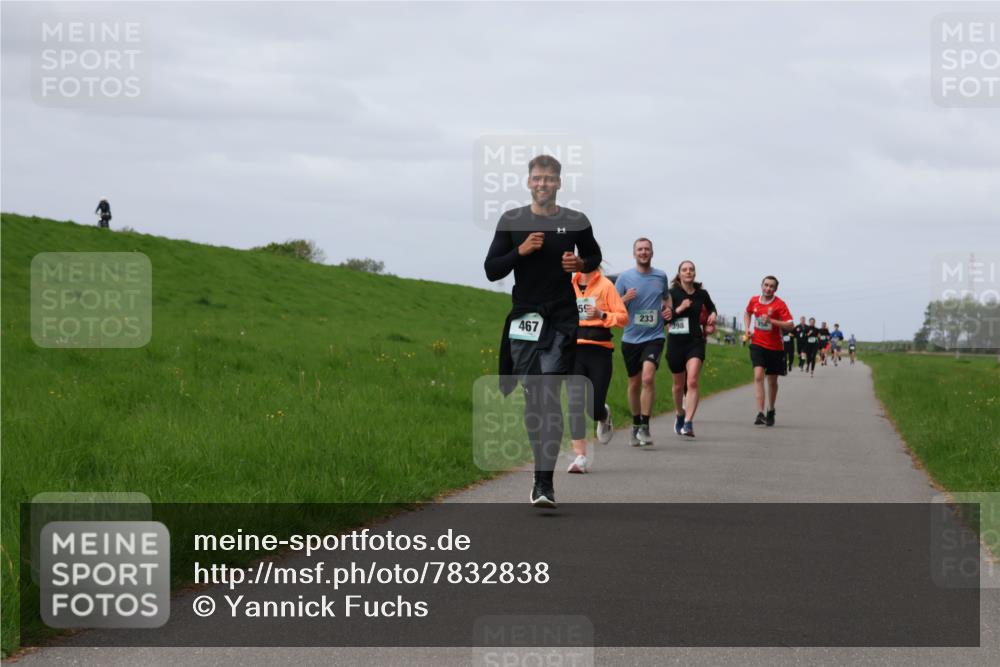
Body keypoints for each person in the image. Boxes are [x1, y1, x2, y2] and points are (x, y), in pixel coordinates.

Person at [485, 154, 602, 508]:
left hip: (562, 316)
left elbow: (594, 257)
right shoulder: (512, 221)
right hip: (525, 316)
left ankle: (543, 482)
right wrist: (520, 251)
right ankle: (541, 473)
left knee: (548, 391)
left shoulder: (575, 221)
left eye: (549, 179)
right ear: (528, 181)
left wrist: (581, 264)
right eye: (537, 178)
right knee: (534, 397)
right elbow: (492, 270)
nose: (543, 184)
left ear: (559, 183)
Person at [566, 266, 628, 473]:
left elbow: (622, 317)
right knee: (574, 402)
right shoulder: (569, 285)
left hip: (599, 352)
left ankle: (603, 414)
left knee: (593, 407)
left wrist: (601, 314)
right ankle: (580, 457)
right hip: (574, 350)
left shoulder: (606, 286)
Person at [616, 238, 671, 446]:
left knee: (648, 378)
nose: (643, 252)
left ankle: (646, 426)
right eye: (640, 249)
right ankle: (636, 423)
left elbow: (666, 299)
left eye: (647, 249)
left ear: (652, 253)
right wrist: (624, 299)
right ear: (634, 253)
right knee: (634, 383)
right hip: (630, 338)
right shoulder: (624, 278)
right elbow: (612, 305)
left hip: (654, 337)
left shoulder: (660, 276)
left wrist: (668, 311)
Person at [663, 260, 717, 438]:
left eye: (691, 269)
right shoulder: (671, 293)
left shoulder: (702, 294)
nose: (688, 272)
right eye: (684, 270)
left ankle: (688, 422)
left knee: (692, 381)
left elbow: (711, 308)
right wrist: (680, 308)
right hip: (676, 343)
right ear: (679, 274)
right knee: (678, 385)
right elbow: (665, 319)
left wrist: (713, 317)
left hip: (695, 341)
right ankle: (679, 413)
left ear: (694, 273)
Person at [743, 276, 794, 426]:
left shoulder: (780, 304)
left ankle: (770, 409)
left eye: (771, 286)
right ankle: (760, 413)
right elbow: (747, 313)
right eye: (766, 285)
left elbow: (790, 325)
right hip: (757, 344)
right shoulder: (754, 300)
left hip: (775, 348)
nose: (768, 288)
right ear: (761, 285)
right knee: (758, 376)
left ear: (775, 289)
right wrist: (747, 329)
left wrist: (771, 321)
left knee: (772, 382)